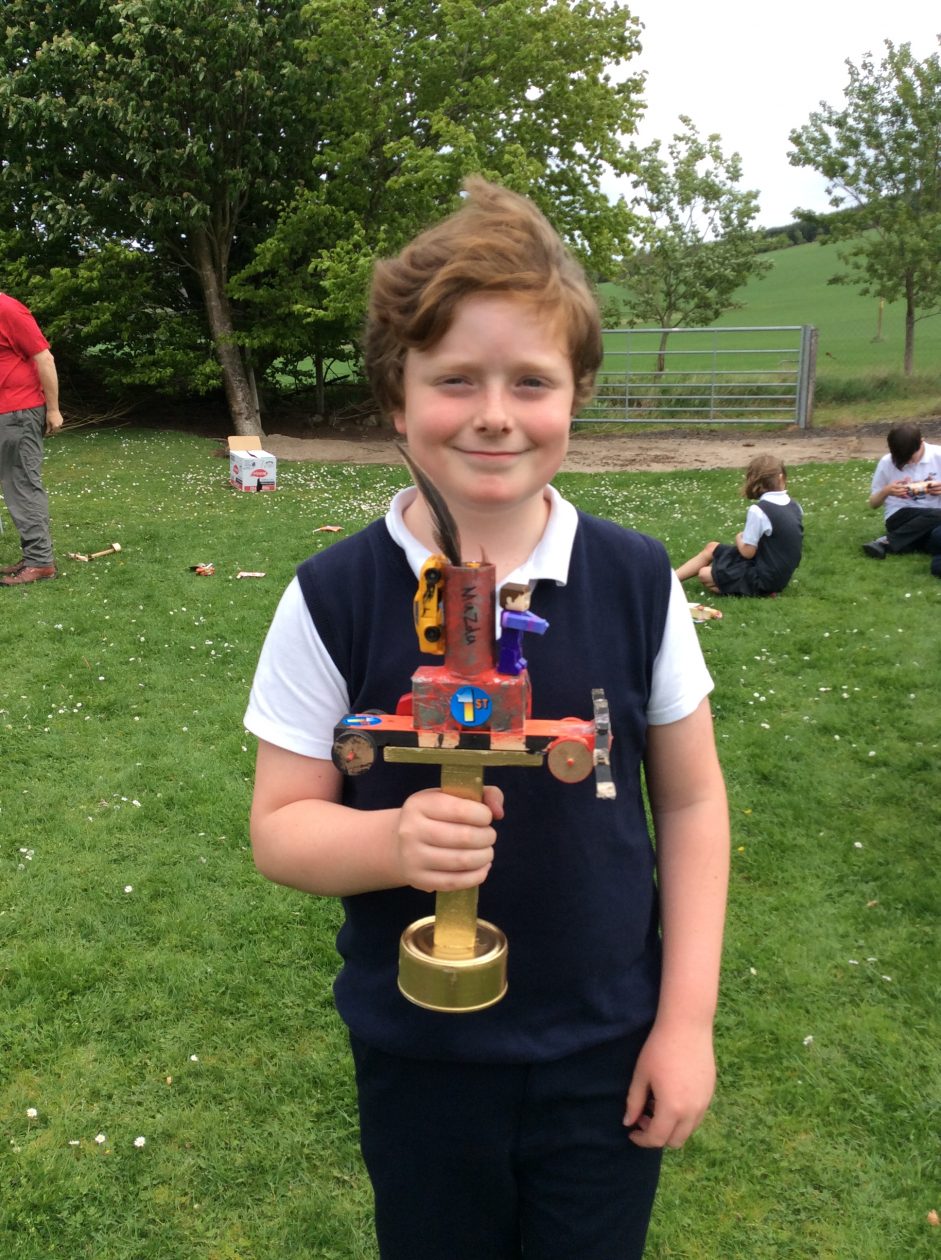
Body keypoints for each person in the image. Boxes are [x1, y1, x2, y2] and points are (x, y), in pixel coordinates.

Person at [245, 178, 729, 1260]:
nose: (495, 414)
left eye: (531, 380)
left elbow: (693, 803)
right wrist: (389, 840)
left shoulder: (634, 580)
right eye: (455, 378)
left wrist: (684, 1021)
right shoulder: (331, 597)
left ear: (578, 393)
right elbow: (279, 827)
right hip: (421, 1057)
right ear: (395, 396)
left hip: (605, 1046)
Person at [674, 454, 803, 597]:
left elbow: (747, 553)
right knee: (712, 547)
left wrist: (739, 538)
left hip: (764, 577)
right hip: (779, 572)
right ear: (781, 477)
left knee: (705, 574)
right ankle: (671, 579)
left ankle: (763, 592)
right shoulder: (795, 506)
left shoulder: (759, 510)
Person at [0, 291, 63, 585]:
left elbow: (44, 358)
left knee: (22, 483)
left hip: (19, 412)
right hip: (7, 412)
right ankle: (33, 556)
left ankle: (40, 562)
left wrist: (53, 409)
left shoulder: (8, 309)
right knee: (16, 483)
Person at [862, 424, 941, 577]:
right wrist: (887, 491)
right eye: (902, 460)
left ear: (921, 442)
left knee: (937, 535)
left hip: (934, 519)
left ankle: (897, 542)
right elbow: (873, 503)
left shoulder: (938, 455)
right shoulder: (887, 462)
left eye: (910, 458)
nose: (908, 463)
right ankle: (890, 542)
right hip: (900, 516)